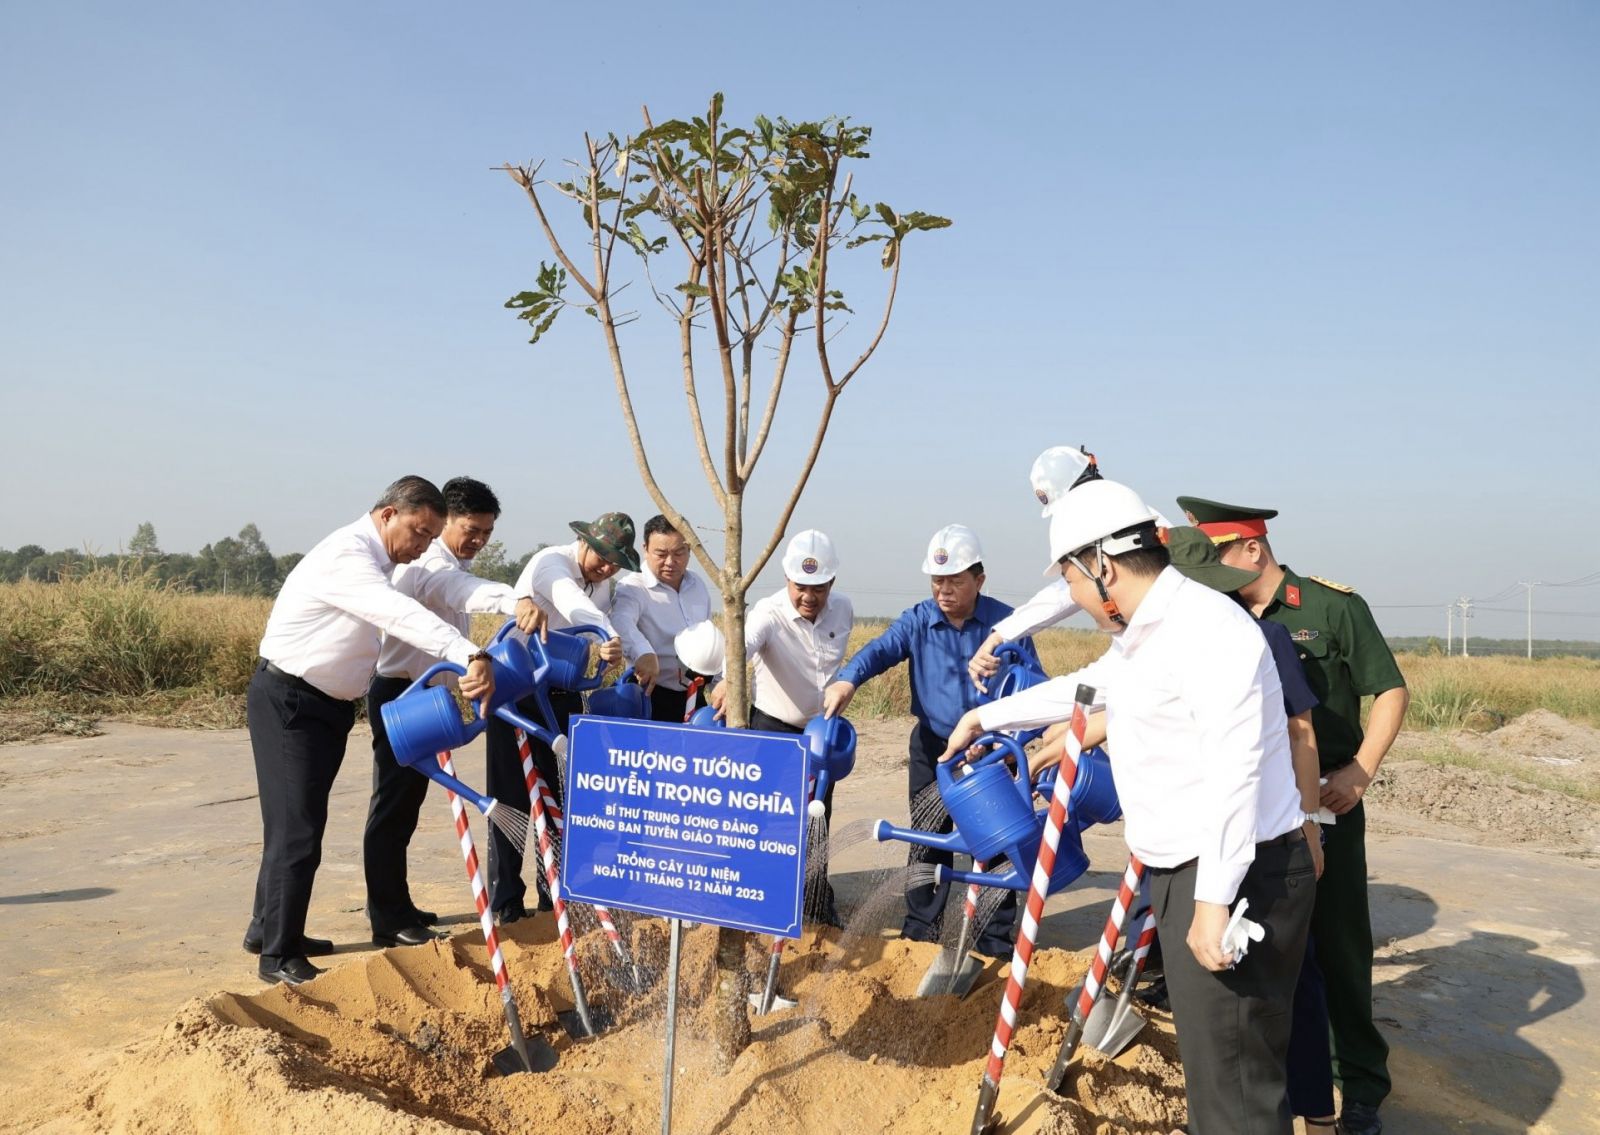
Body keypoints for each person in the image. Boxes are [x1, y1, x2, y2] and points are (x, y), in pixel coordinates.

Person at [943, 480, 1314, 1135]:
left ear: (1101, 565)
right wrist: (984, 714)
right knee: (1222, 1082)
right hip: (1191, 869)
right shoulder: (1147, 634)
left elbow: (1237, 769)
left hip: (1234, 876)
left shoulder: (1206, 628)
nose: (1077, 600)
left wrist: (1213, 900)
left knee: (1236, 1093)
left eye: (1072, 581)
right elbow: (1086, 686)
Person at [1177, 496, 1410, 1135]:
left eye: (1216, 553)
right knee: (1271, 956)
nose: (1207, 570)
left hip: (1323, 801)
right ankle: (1293, 1091)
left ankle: (1360, 1086)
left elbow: (1389, 690)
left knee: (1337, 948)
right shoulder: (1216, 615)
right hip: (1244, 809)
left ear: (1252, 548)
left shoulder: (1330, 608)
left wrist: (1360, 770)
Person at [245, 476, 495, 986]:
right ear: (387, 515)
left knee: (295, 821)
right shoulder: (349, 556)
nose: (423, 545)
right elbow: (397, 613)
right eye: (419, 532)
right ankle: (277, 956)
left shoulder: (383, 559)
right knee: (298, 829)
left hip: (327, 705)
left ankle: (267, 927)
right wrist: (467, 653)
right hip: (292, 701)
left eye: (430, 537)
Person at [822, 524, 1036, 954]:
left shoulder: (1007, 625)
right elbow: (879, 650)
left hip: (992, 753)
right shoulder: (919, 620)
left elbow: (1034, 691)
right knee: (928, 838)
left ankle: (993, 937)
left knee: (996, 842)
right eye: (937, 580)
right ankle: (922, 929)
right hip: (934, 748)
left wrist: (1009, 742)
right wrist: (847, 681)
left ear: (979, 579)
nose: (943, 589)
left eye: (955, 580)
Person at [363, 477, 545, 947]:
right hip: (401, 693)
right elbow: (462, 591)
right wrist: (513, 599)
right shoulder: (424, 563)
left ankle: (399, 904)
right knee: (392, 806)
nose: (479, 540)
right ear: (445, 520)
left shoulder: (450, 562)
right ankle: (387, 917)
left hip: (431, 696)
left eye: (487, 532)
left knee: (407, 807)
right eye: (471, 529)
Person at [485, 512, 635, 923]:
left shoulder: (605, 585)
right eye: (602, 556)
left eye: (615, 562)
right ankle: (505, 901)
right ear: (584, 542)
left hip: (561, 691)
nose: (606, 567)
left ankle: (554, 892)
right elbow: (573, 603)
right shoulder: (551, 562)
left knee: (559, 793)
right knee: (510, 794)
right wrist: (604, 634)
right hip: (513, 689)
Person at [711, 529, 854, 924]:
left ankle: (813, 905)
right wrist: (728, 679)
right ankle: (761, 902)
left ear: (832, 584)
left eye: (819, 588)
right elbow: (741, 647)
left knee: (817, 817)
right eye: (800, 586)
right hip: (774, 730)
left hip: (823, 733)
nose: (809, 596)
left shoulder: (843, 609)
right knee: (769, 823)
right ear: (787, 580)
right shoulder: (769, 612)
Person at [610, 515, 713, 723]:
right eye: (661, 554)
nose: (670, 562)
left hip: (693, 694)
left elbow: (709, 635)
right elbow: (621, 622)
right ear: (645, 549)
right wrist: (644, 653)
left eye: (678, 553)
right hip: (651, 695)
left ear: (690, 551)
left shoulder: (698, 585)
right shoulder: (633, 587)